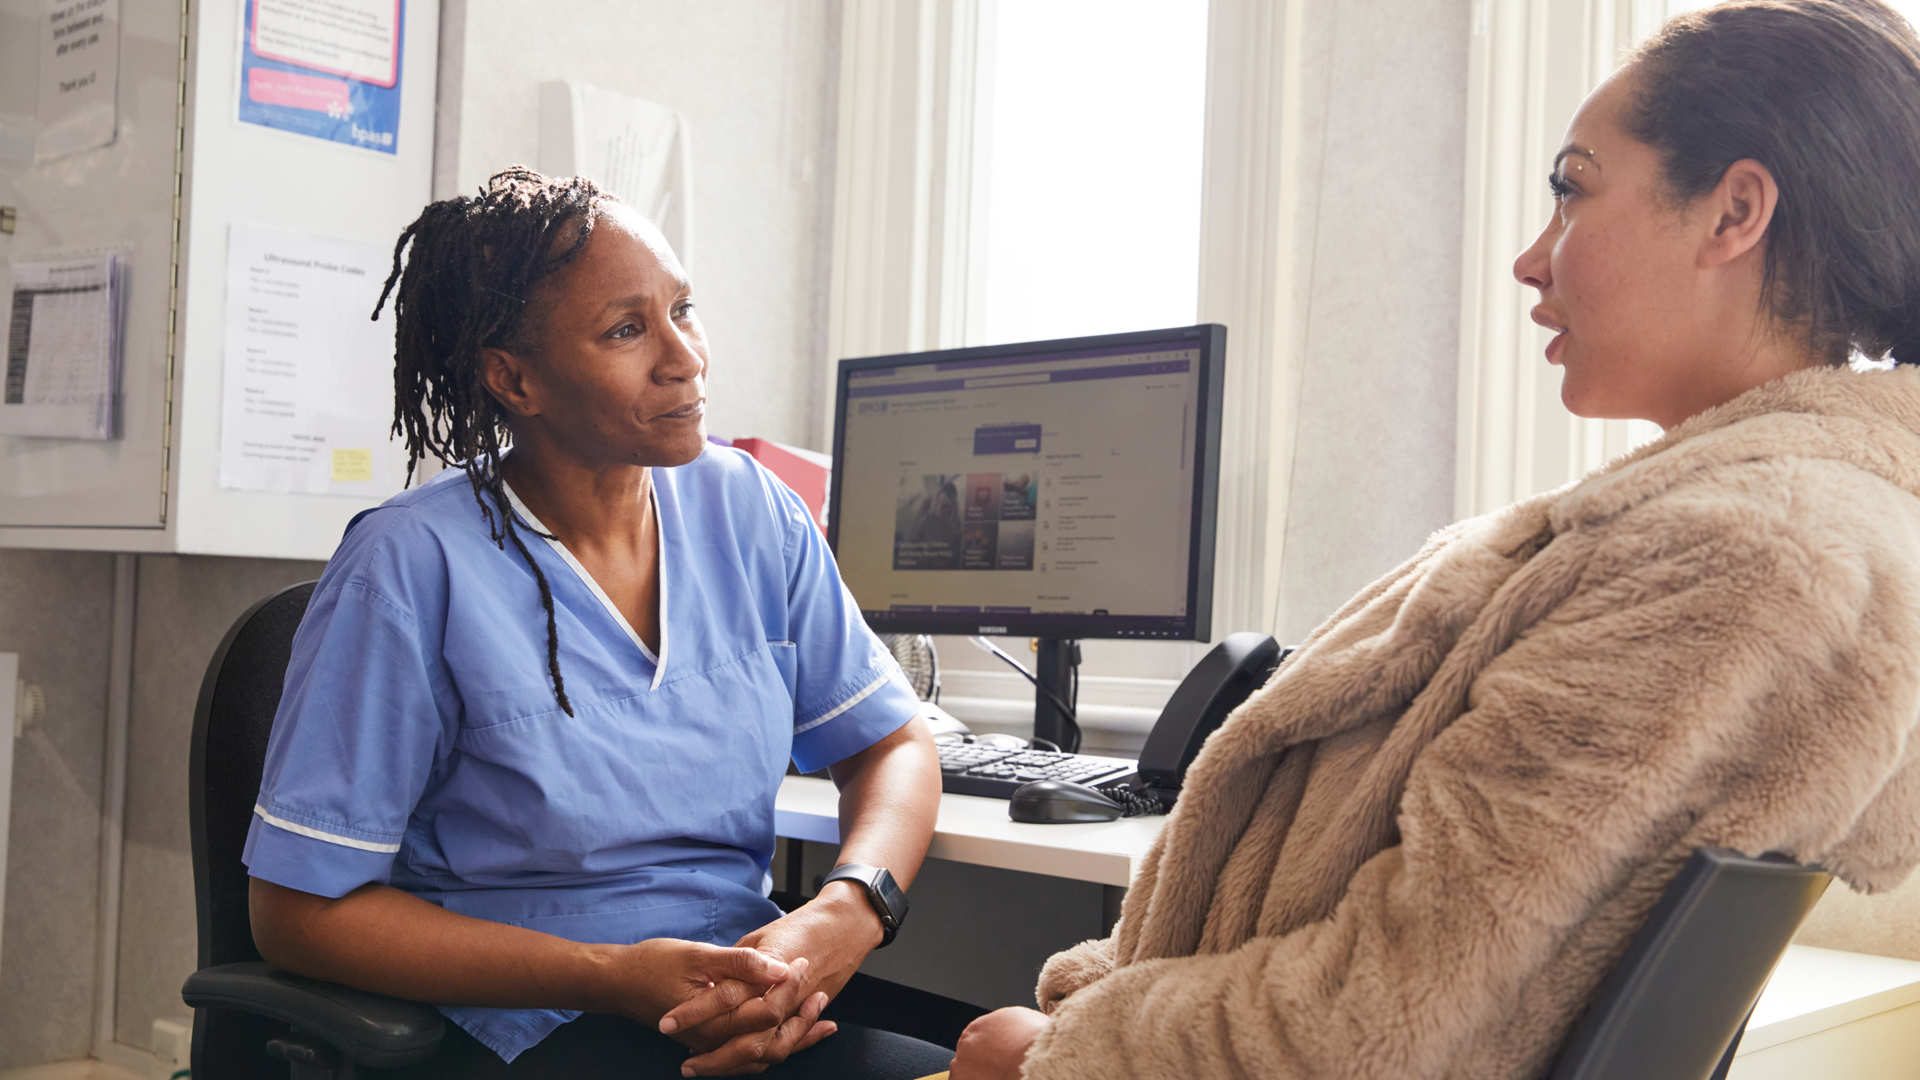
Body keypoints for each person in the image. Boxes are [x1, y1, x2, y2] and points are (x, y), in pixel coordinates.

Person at [949, 1, 1920, 1076]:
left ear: (1734, 211)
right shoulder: (1718, 536)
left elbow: (1378, 1027)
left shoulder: (1738, 558)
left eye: (1573, 191)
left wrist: (1060, 1053)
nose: (1528, 260)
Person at [242, 167, 955, 1079]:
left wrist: (850, 909)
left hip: (749, 999)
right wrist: (612, 975)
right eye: (626, 330)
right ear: (515, 378)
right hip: (521, 1029)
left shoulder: (750, 512)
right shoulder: (411, 566)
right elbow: (297, 913)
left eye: (683, 309)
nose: (683, 356)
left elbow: (891, 742)